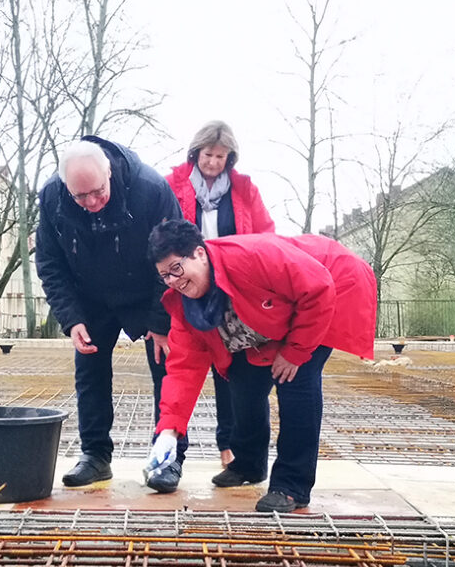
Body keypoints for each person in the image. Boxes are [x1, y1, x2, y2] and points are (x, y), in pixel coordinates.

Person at [143, 219, 377, 513]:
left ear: (199, 254)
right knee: (242, 382)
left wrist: (294, 351)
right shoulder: (184, 306)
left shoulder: (253, 258)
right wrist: (168, 433)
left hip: (330, 287)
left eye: (176, 268)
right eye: (165, 275)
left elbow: (318, 287)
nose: (174, 281)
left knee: (296, 381)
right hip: (272, 319)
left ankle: (291, 486)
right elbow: (182, 371)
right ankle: (249, 465)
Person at [35, 137, 185, 493]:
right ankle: (95, 455)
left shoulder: (150, 189)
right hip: (89, 295)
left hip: (146, 288)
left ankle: (168, 458)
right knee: (89, 373)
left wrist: (160, 321)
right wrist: (71, 319)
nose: (91, 203)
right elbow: (50, 262)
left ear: (109, 173)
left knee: (167, 371)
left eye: (97, 192)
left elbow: (173, 256)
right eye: (80, 196)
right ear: (66, 187)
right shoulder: (52, 197)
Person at [165, 120, 275, 468]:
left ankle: (228, 444)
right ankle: (172, 443)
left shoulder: (244, 189)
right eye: (209, 155)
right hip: (193, 285)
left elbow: (264, 234)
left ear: (231, 159)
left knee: (232, 368)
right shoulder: (173, 186)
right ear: (196, 152)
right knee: (190, 362)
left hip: (235, 286)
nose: (214, 163)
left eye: (222, 157)